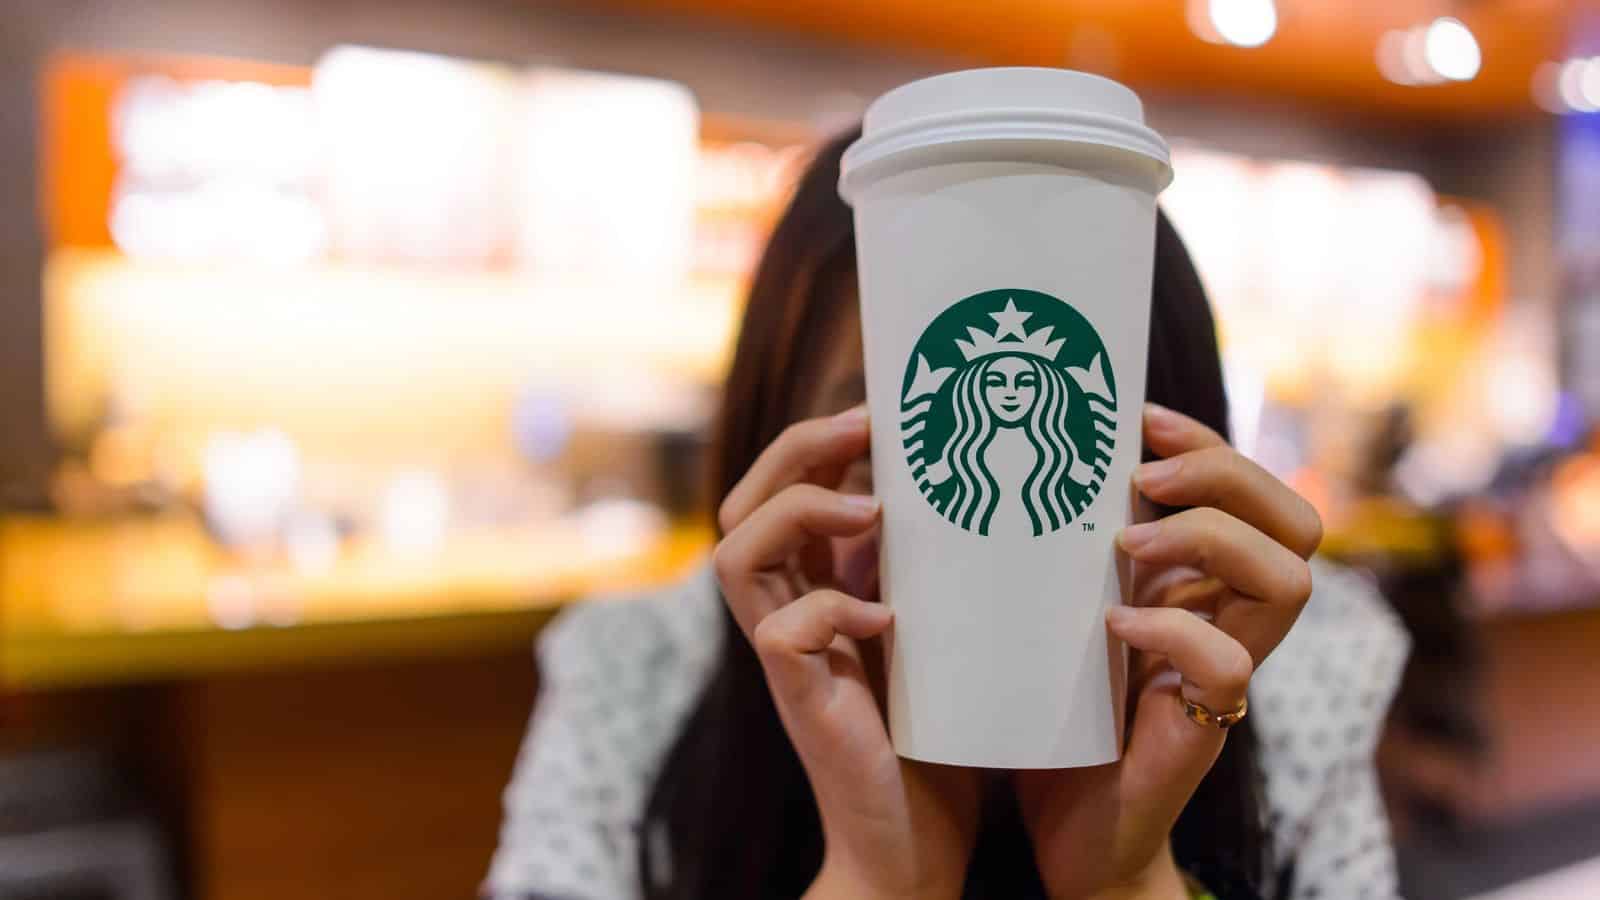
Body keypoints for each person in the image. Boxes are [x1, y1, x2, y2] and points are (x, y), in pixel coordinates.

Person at [484, 130, 1409, 900]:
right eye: (884, 448)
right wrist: (875, 880)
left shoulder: (1295, 684)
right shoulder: (634, 680)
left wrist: (1123, 882)